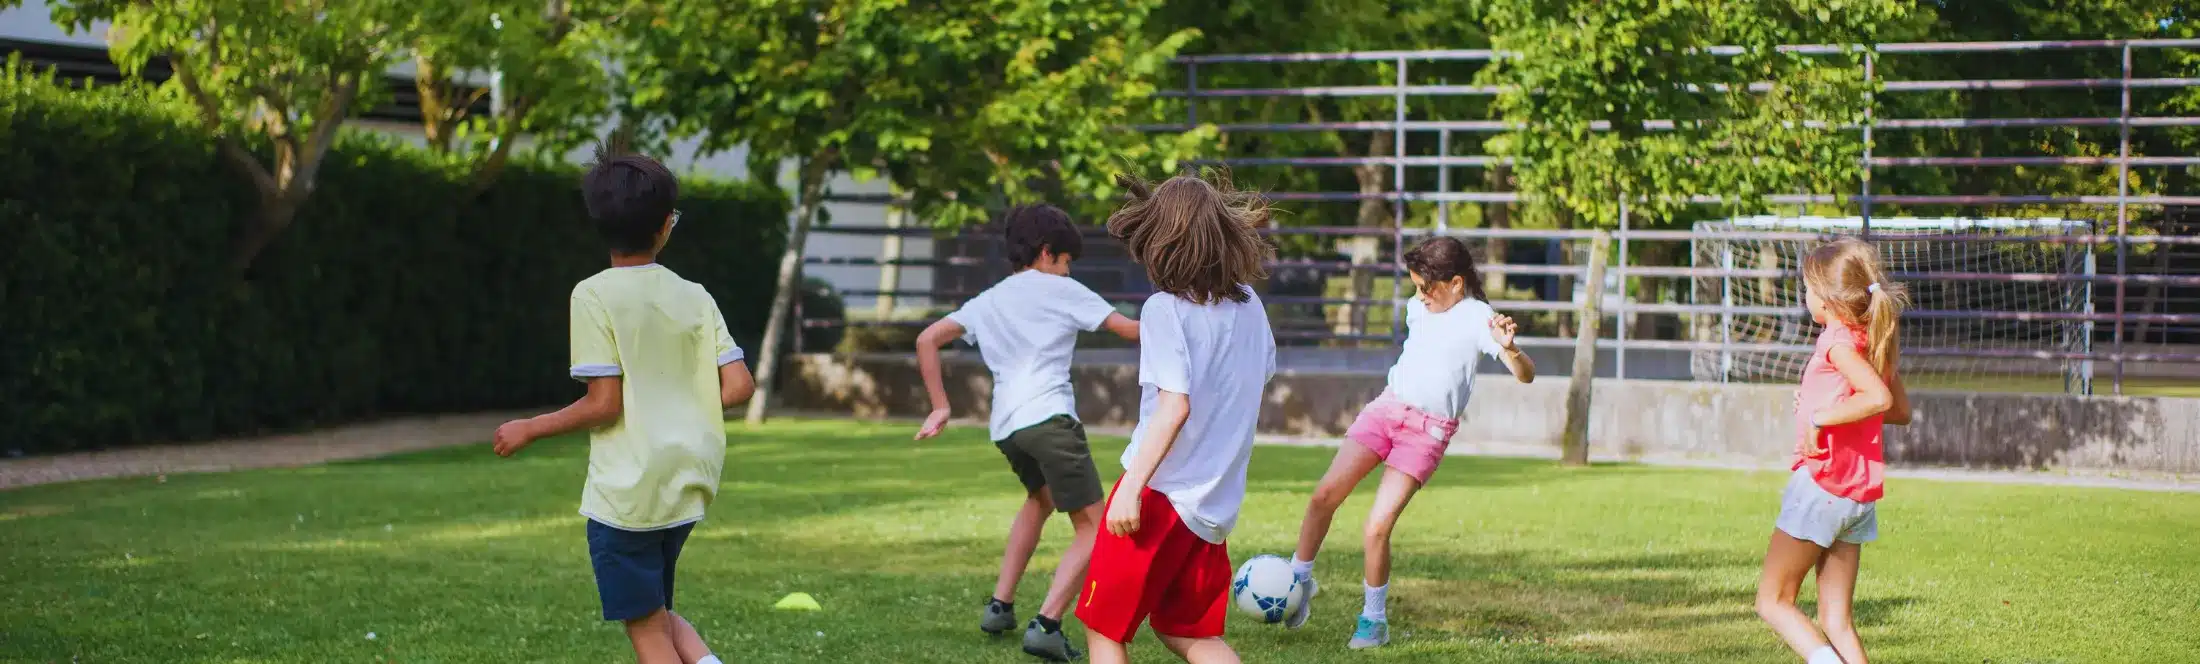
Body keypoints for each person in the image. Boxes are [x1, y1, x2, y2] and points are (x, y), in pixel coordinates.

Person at [491, 142, 754, 664]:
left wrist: (531, 426)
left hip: (630, 491)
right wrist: (680, 404)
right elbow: (739, 385)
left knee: (647, 629)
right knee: (658, 613)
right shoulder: (696, 295)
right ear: (665, 226)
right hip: (689, 479)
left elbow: (604, 404)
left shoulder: (593, 295)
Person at [911, 203, 1141, 661]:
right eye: (1066, 260)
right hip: (1050, 419)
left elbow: (927, 339)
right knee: (1098, 529)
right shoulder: (1063, 290)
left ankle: (1000, 606)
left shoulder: (991, 298)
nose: (1069, 269)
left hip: (1008, 427)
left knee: (1041, 500)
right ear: (1046, 252)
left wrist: (940, 406)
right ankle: (1047, 624)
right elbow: (1131, 330)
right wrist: (1183, 314)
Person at [1282, 236, 1536, 649]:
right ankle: (1297, 582)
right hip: (1387, 409)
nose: (1419, 296)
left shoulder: (1479, 317)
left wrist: (1512, 349)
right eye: (1416, 286)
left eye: (1426, 288)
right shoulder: (1418, 308)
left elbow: (1526, 375)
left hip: (1427, 431)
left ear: (1456, 283)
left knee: (1376, 527)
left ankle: (1374, 620)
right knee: (1324, 495)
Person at [1076, 172, 1277, 664]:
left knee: (1103, 629)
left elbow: (1175, 406)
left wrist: (1130, 488)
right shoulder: (1251, 305)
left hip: (1160, 495)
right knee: (1187, 631)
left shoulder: (1164, 310)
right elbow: (1260, 376)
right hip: (1212, 507)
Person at [1756, 238, 1911, 664]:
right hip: (1855, 497)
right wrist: (1820, 405)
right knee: (1836, 619)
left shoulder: (1837, 342)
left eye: (1807, 288)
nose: (1804, 296)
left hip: (1823, 484)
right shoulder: (1870, 339)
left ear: (1825, 298)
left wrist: (1821, 417)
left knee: (1773, 601)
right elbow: (1900, 411)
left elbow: (1878, 399)